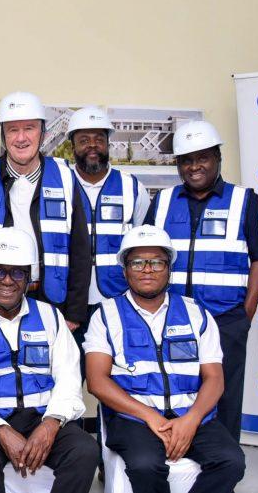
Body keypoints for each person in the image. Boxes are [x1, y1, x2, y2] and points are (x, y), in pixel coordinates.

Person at [0, 227, 100, 493]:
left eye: (18, 272)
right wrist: (0, 428)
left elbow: (69, 380)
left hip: (41, 416)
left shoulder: (51, 317)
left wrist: (51, 423)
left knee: (85, 450)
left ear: (30, 278)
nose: (8, 281)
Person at [84, 225, 245, 493]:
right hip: (133, 419)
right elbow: (97, 382)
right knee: (145, 464)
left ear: (169, 269)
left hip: (191, 415)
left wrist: (191, 420)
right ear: (125, 270)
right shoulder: (105, 315)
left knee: (231, 461)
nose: (147, 269)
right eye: (137, 262)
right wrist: (149, 415)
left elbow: (215, 378)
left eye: (157, 262)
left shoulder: (197, 314)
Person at [144, 120, 258, 441]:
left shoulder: (246, 201)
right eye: (186, 160)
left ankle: (223, 469)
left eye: (203, 158)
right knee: (173, 391)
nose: (195, 166)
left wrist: (246, 313)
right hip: (173, 321)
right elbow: (145, 255)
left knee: (224, 397)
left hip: (225, 321)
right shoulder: (163, 202)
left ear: (217, 158)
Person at [0, 91, 91, 331]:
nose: (21, 138)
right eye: (13, 129)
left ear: (43, 132)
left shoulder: (64, 178)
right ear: (3, 135)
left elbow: (80, 251)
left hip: (48, 300)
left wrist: (74, 313)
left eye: (29, 128)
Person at [67, 106, 149, 354]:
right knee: (67, 380)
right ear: (72, 146)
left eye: (99, 139)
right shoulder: (60, 184)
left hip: (117, 302)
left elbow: (144, 244)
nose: (92, 146)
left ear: (108, 144)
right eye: (84, 140)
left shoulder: (132, 188)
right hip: (69, 305)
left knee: (117, 380)